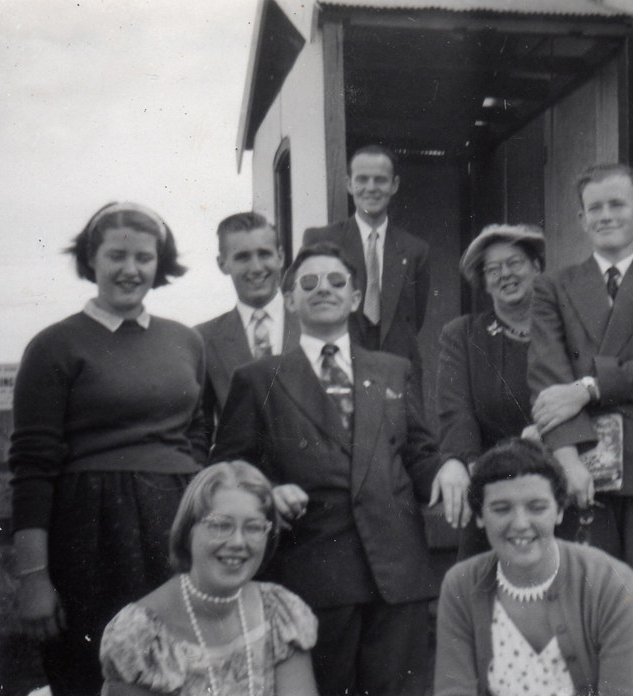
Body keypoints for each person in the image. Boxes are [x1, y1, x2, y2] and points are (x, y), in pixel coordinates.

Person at [212, 242, 465, 696]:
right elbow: (230, 467)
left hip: (397, 572)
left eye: (335, 281)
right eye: (307, 283)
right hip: (314, 572)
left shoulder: (394, 370)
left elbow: (420, 452)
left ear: (354, 297)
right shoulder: (257, 378)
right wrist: (269, 491)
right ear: (290, 300)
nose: (322, 289)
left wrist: (448, 467)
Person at [9, 202, 207, 696]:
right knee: (96, 673)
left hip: (175, 525)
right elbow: (32, 468)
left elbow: (197, 434)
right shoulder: (54, 346)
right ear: (90, 259)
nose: (131, 269)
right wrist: (32, 578)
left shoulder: (185, 341)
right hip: (91, 533)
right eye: (116, 255)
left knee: (184, 669)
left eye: (144, 257)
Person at [527, 162, 633, 578]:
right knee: (587, 594)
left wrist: (588, 387)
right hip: (580, 460)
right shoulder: (554, 286)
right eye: (595, 208)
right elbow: (549, 381)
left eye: (617, 204)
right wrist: (566, 462)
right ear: (583, 220)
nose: (606, 216)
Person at [435, 437, 633, 696]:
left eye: (537, 507)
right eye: (501, 509)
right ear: (480, 516)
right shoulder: (461, 584)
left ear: (558, 511)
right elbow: (454, 689)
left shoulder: (610, 582)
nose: (521, 523)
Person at [100, 461, 318, 695]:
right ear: (187, 531)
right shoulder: (140, 635)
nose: (237, 543)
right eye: (221, 525)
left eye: (254, 527)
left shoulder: (280, 613)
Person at [433, 223, 543, 556]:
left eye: (514, 263)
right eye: (492, 269)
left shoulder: (565, 327)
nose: (505, 274)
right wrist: (457, 460)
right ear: (483, 282)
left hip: (559, 483)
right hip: (494, 484)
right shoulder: (464, 336)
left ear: (537, 267)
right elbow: (456, 411)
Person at [303, 144, 429, 368]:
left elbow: (414, 320)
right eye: (362, 179)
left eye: (380, 180)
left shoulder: (415, 250)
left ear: (394, 185)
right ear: (349, 184)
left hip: (398, 372)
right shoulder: (321, 240)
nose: (371, 188)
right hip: (338, 367)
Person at [197, 212, 299, 439]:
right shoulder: (204, 339)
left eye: (264, 254)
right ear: (222, 264)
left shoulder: (314, 324)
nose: (256, 267)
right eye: (242, 257)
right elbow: (199, 429)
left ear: (280, 257)